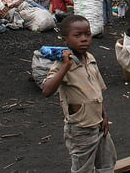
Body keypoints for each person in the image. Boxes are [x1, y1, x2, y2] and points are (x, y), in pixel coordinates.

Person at [42, 15, 117, 172]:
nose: (84, 39)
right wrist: (65, 67)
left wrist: (104, 114)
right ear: (65, 40)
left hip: (98, 125)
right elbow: (47, 90)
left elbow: (97, 91)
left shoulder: (90, 59)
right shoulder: (62, 64)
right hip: (80, 129)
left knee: (107, 163)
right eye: (77, 36)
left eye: (87, 34)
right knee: (83, 168)